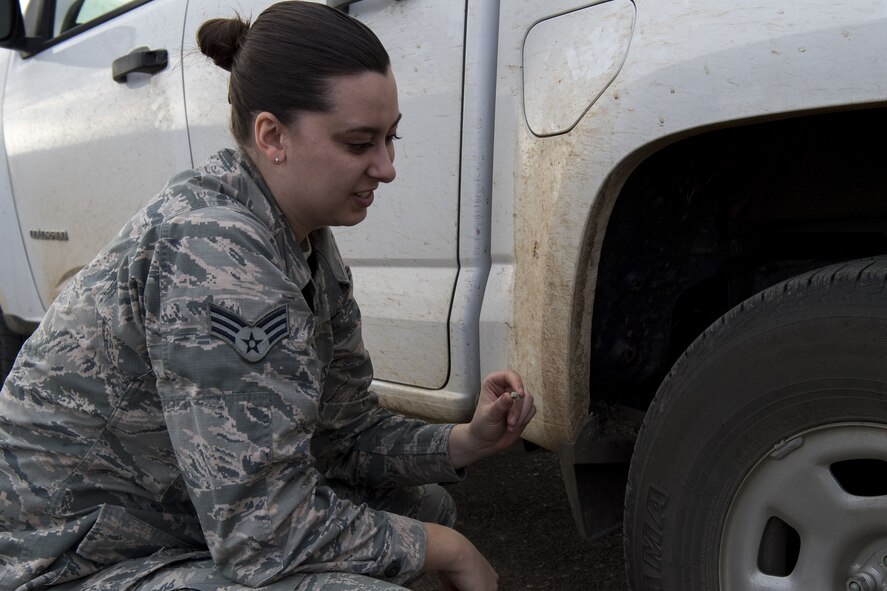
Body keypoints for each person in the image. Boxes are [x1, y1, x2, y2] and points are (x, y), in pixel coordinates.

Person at [0, 2, 536, 590]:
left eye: (391, 137)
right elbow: (263, 533)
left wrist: (465, 440)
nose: (387, 167)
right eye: (360, 143)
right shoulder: (217, 252)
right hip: (69, 560)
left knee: (420, 507)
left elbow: (343, 435)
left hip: (176, 517)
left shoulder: (300, 238)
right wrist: (450, 550)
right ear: (272, 135)